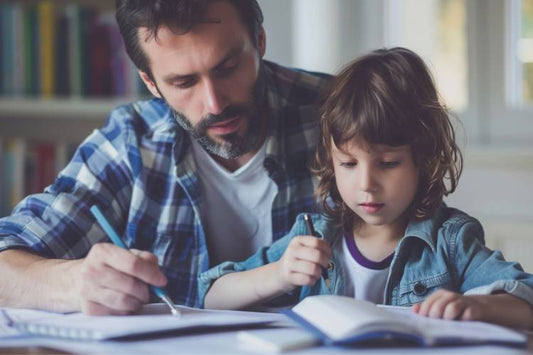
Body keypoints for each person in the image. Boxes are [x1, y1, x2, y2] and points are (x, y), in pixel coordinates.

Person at [0, 0, 330, 315]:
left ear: (259, 41)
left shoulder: (340, 113)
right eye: (184, 82)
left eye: (227, 68)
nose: (214, 104)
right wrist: (73, 283)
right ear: (151, 82)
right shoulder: (131, 143)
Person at [200, 47, 533, 329]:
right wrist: (278, 275)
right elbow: (210, 294)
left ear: (423, 158)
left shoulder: (450, 242)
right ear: (330, 162)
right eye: (348, 164)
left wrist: (479, 307)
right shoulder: (315, 233)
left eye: (388, 164)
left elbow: (526, 295)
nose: (366, 185)